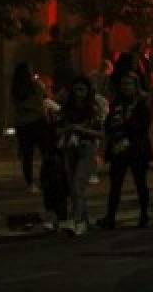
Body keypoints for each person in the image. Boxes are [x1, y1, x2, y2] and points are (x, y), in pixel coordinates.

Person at [97, 72, 152, 229]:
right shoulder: (116, 103)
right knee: (115, 185)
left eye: (129, 84)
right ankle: (110, 217)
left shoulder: (141, 104)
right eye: (123, 84)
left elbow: (143, 125)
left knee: (141, 183)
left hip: (136, 148)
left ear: (136, 86)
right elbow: (108, 123)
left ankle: (144, 215)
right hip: (119, 148)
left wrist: (126, 124)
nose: (126, 87)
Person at [56, 76, 105, 235]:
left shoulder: (93, 109)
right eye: (76, 90)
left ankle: (75, 220)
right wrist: (69, 129)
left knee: (78, 183)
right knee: (74, 187)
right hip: (69, 149)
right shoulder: (66, 109)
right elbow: (57, 130)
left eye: (82, 90)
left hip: (87, 148)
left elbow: (101, 133)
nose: (79, 93)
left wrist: (80, 129)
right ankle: (84, 220)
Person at [11, 62, 50, 194]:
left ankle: (30, 183)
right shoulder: (36, 85)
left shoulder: (15, 88)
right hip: (38, 122)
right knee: (46, 153)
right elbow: (44, 97)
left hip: (22, 124)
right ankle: (46, 180)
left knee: (27, 156)